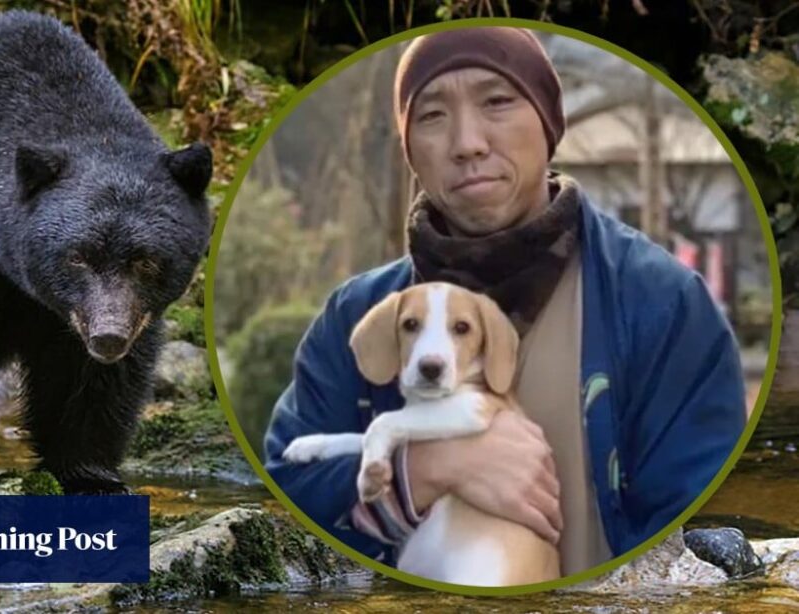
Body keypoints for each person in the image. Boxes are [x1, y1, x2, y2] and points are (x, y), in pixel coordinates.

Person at [263, 27, 747, 576]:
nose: (467, 142)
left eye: (497, 101)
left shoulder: (661, 302)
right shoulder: (357, 315)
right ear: (410, 153)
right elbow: (282, 490)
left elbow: (706, 530)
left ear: (549, 124)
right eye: (432, 116)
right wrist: (423, 469)